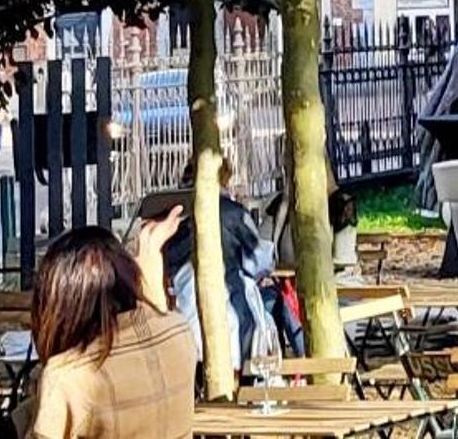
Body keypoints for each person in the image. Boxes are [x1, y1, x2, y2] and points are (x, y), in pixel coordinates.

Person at [20, 206, 194, 439]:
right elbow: (151, 316)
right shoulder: (179, 332)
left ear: (59, 302)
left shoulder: (67, 377)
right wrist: (150, 253)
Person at [162, 159, 279, 369]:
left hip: (183, 314)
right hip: (231, 313)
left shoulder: (172, 215)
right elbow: (258, 260)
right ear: (224, 179)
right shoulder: (234, 213)